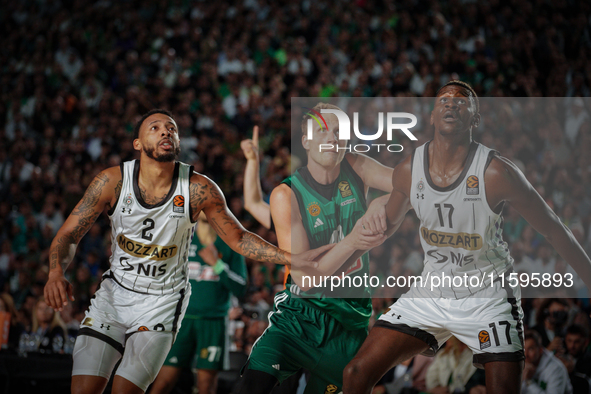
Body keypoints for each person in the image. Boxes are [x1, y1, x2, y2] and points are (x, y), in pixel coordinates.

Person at [43, 109, 328, 394]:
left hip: (162, 303)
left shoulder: (198, 188)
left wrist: (291, 258)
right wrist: (56, 271)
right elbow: (68, 233)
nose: (166, 131)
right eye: (155, 128)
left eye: (171, 128)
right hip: (115, 295)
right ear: (137, 144)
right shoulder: (111, 182)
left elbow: (239, 238)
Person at [343, 81, 591, 394]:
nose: (451, 104)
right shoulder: (408, 169)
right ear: (432, 116)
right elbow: (388, 222)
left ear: (474, 119)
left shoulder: (496, 173)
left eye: (462, 102)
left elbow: (555, 229)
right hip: (433, 291)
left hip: (488, 294)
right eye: (444, 100)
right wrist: (360, 230)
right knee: (355, 372)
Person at [237, 102, 394, 393]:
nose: (333, 137)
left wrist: (382, 201)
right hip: (300, 314)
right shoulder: (288, 196)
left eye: (339, 131)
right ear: (305, 140)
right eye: (323, 130)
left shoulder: (357, 167)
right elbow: (305, 279)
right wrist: (252, 162)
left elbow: (408, 186)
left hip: (350, 320)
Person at [150, 211, 247, 394]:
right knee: (163, 382)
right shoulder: (181, 236)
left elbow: (241, 287)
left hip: (213, 321)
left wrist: (217, 265)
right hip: (181, 320)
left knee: (206, 385)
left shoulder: (230, 240)